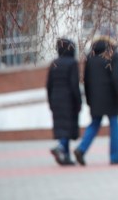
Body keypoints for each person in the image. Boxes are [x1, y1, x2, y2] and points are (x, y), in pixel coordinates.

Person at [73, 30, 118, 165]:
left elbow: (85, 80)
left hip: (95, 99)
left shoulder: (90, 57)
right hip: (111, 98)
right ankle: (115, 156)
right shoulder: (113, 56)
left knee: (94, 124)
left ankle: (81, 149)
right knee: (114, 124)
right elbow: (117, 78)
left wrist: (89, 100)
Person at [46, 38, 82, 166]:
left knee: (62, 127)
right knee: (67, 127)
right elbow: (74, 85)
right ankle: (60, 147)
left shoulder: (54, 64)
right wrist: (79, 101)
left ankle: (65, 157)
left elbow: (49, 85)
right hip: (68, 100)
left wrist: (50, 101)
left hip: (56, 99)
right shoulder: (72, 63)